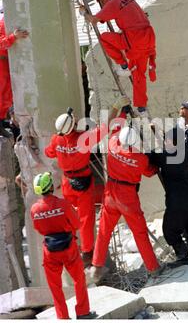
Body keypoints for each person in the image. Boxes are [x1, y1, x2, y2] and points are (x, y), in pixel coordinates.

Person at [44, 96, 130, 268]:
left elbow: (49, 153)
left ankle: (71, 247)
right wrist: (119, 111)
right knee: (85, 218)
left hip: (67, 182)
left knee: (69, 217)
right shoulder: (83, 139)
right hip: (83, 182)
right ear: (73, 125)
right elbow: (105, 128)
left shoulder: (57, 139)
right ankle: (87, 252)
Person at [90, 120, 163, 282]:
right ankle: (153, 268)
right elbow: (150, 171)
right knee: (139, 232)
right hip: (127, 196)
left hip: (110, 192)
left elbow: (114, 132)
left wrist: (120, 113)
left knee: (104, 230)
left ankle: (96, 266)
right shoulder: (140, 158)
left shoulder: (112, 145)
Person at [79, 0, 157, 116]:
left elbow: (94, 19)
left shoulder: (113, 4)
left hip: (133, 39)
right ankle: (141, 107)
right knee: (139, 73)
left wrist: (84, 12)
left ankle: (123, 64)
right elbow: (114, 8)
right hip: (148, 38)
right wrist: (102, 1)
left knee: (103, 38)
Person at [30, 172, 96, 320]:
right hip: (68, 248)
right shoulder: (63, 204)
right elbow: (77, 224)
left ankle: (63, 317)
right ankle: (83, 312)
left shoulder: (34, 209)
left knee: (55, 286)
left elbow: (39, 229)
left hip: (49, 251)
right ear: (51, 186)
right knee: (79, 279)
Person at [149, 127, 188, 265]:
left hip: (177, 201)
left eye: (167, 140)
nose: (165, 142)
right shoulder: (184, 151)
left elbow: (150, 156)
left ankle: (183, 256)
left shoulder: (167, 156)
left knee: (170, 231)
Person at [0, 0, 29, 137]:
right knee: (2, 95)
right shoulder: (1, 24)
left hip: (6, 64)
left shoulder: (7, 22)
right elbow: (1, 45)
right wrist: (13, 37)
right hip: (1, 64)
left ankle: (0, 123)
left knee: (7, 96)